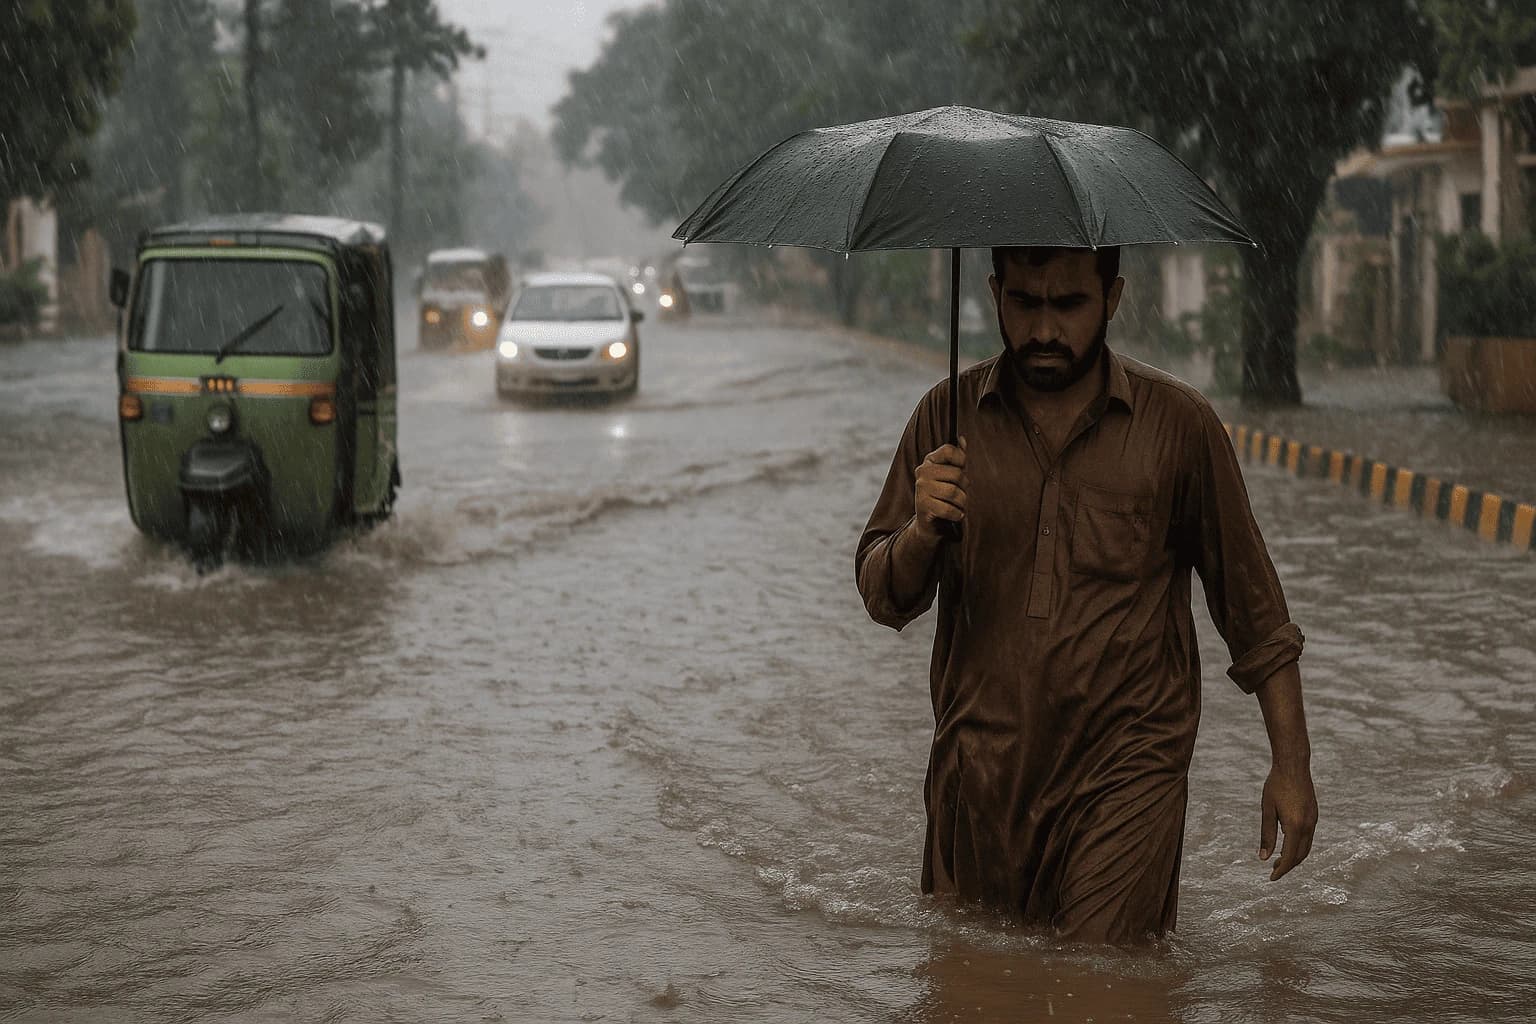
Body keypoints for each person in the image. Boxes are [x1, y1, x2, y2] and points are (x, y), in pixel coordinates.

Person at [854, 245, 1317, 943]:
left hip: (1128, 769)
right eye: (1024, 303)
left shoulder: (1179, 427)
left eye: (1067, 304)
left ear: (1114, 296)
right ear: (992, 292)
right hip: (978, 775)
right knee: (973, 985)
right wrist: (924, 528)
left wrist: (1292, 766)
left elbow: (1255, 615)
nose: (1044, 330)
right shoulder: (946, 418)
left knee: (1100, 981)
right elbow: (883, 596)